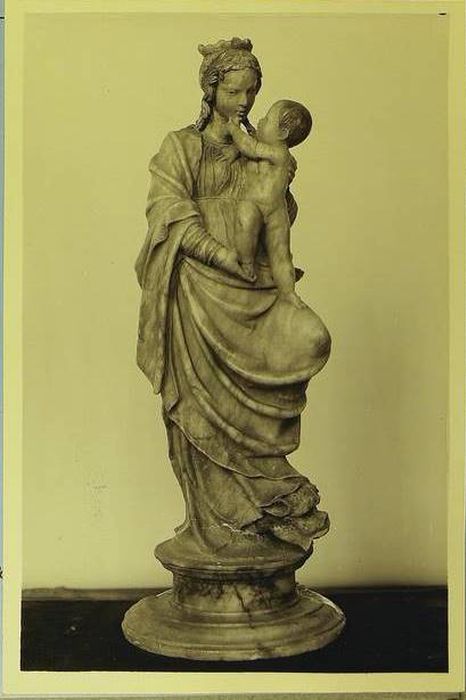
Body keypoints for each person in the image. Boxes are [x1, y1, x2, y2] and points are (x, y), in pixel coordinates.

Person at [135, 37, 331, 560]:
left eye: (251, 92)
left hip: (254, 285)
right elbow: (167, 213)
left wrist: (280, 186)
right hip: (197, 293)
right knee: (199, 407)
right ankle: (223, 526)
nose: (244, 101)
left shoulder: (262, 147)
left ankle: (274, 502)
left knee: (301, 349)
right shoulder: (180, 146)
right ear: (211, 89)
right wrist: (221, 255)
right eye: (234, 91)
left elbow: (278, 220)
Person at [226, 100, 312, 310]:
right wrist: (247, 124)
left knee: (276, 250)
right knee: (279, 252)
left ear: (282, 133)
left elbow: (250, 146)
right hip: (274, 210)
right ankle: (251, 267)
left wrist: (234, 129)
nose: (261, 121)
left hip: (260, 205)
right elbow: (256, 138)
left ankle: (285, 291)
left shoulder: (279, 154)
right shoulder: (275, 151)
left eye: (266, 119)